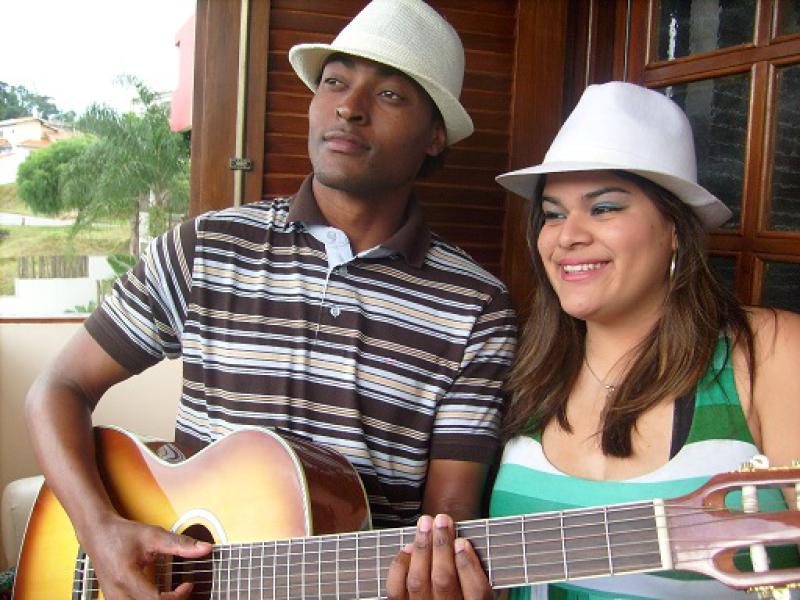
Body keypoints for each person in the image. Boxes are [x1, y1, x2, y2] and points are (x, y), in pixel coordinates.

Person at [23, 1, 517, 598]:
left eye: (390, 95)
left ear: (435, 135)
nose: (349, 107)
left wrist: (443, 579)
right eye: (334, 82)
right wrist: (99, 530)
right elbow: (57, 388)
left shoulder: (477, 306)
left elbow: (448, 522)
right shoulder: (205, 247)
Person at [386, 81, 800, 600]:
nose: (567, 235)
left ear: (676, 227)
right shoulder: (525, 372)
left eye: (603, 208)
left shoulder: (770, 352)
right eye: (553, 214)